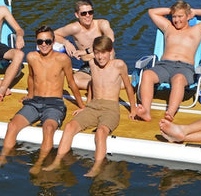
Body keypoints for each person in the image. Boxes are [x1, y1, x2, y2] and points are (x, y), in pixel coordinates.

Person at [0, 26, 85, 173]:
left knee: (48, 128)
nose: (44, 45)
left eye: (47, 41)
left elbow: (71, 83)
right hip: (35, 102)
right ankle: (2, 159)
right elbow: (32, 77)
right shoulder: (32, 57)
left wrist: (82, 105)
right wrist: (30, 95)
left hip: (54, 103)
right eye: (40, 42)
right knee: (12, 126)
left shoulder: (63, 59)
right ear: (36, 42)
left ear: (53, 42)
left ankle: (39, 163)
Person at [43, 36, 137, 177]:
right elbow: (93, 83)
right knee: (69, 127)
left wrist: (133, 108)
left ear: (110, 51)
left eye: (103, 53)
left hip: (110, 108)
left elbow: (129, 87)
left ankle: (97, 167)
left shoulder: (119, 65)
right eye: (97, 53)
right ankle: (57, 161)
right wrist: (86, 105)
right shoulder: (92, 63)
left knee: (101, 132)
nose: (100, 57)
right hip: (93, 106)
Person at [135, 1, 201, 121]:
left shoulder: (197, 30)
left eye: (180, 16)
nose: (176, 20)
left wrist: (194, 12)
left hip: (184, 68)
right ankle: (146, 111)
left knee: (179, 79)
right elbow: (152, 12)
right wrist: (172, 11)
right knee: (147, 74)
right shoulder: (168, 27)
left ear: (188, 16)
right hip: (163, 65)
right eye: (174, 16)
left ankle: (170, 113)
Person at [54, 0, 115, 98]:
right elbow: (52, 34)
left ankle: (101, 82)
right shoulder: (74, 28)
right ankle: (99, 83)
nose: (88, 16)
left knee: (110, 52)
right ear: (77, 15)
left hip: (106, 64)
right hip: (88, 66)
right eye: (84, 13)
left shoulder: (102, 24)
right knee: (73, 81)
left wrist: (86, 51)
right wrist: (66, 42)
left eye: (90, 12)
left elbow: (110, 38)